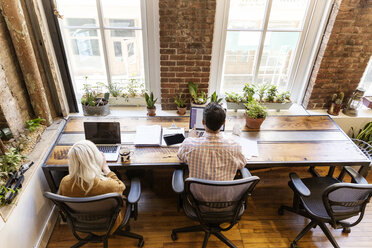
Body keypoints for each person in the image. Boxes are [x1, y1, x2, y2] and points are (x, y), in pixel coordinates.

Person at [59, 140, 126, 233]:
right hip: (110, 224)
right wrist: (105, 167)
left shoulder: (65, 182)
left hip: (80, 223)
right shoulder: (110, 186)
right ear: (96, 159)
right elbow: (121, 187)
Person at [177, 102, 246, 181]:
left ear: (203, 122)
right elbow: (242, 164)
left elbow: (180, 156)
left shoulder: (189, 144)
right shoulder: (235, 147)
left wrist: (190, 138)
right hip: (224, 193)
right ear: (224, 122)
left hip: (197, 192)